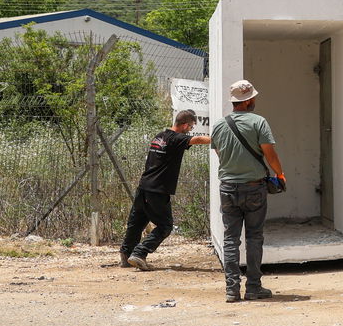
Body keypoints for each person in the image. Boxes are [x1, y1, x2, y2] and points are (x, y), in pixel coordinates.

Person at [210, 79, 286, 303]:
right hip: (254, 188)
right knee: (254, 237)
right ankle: (254, 287)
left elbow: (219, 153)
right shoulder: (258, 122)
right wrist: (280, 174)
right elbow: (269, 154)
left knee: (231, 240)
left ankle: (232, 290)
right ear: (249, 100)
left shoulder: (219, 125)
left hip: (227, 188)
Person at [119, 109, 212, 271]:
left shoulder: (160, 136)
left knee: (136, 223)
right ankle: (139, 253)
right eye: (190, 127)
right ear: (184, 125)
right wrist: (220, 137)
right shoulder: (176, 138)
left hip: (144, 186)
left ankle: (126, 256)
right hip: (157, 189)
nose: (190, 130)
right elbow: (197, 140)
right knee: (165, 225)